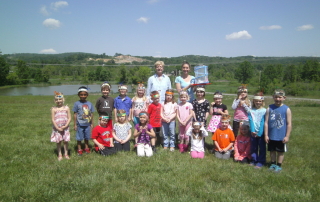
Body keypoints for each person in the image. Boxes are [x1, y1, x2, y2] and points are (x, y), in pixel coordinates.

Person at [264, 89, 292, 173]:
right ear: (273, 97)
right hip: (271, 135)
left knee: (280, 151)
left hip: (281, 136)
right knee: (272, 150)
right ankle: (272, 164)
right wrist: (266, 135)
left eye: (280, 97)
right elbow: (266, 122)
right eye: (276, 97)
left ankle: (279, 165)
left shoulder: (286, 109)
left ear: (284, 98)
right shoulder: (269, 108)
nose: (278, 99)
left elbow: (289, 124)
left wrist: (287, 136)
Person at [73, 86, 94, 156]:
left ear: (87, 95)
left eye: (84, 94)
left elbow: (91, 114)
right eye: (81, 94)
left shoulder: (90, 104)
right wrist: (75, 124)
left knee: (87, 137)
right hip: (79, 124)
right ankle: (79, 149)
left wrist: (91, 123)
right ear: (78, 95)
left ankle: (86, 148)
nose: (83, 96)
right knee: (79, 138)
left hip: (87, 124)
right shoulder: (76, 104)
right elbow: (75, 114)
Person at [51, 91, 71, 161]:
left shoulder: (66, 108)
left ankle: (66, 154)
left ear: (63, 100)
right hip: (57, 128)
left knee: (65, 141)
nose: (59, 101)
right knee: (58, 142)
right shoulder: (54, 109)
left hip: (65, 128)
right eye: (57, 99)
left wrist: (65, 126)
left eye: (60, 99)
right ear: (55, 101)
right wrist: (57, 127)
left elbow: (69, 118)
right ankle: (59, 154)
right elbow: (53, 119)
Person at [248, 92, 267, 168]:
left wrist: (260, 133)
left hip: (261, 133)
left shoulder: (265, 111)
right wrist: (252, 130)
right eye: (256, 101)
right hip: (253, 132)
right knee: (253, 147)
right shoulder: (251, 110)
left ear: (262, 102)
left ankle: (261, 161)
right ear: (254, 101)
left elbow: (263, 122)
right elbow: (251, 120)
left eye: (260, 101)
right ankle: (254, 160)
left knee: (262, 148)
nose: (258, 103)